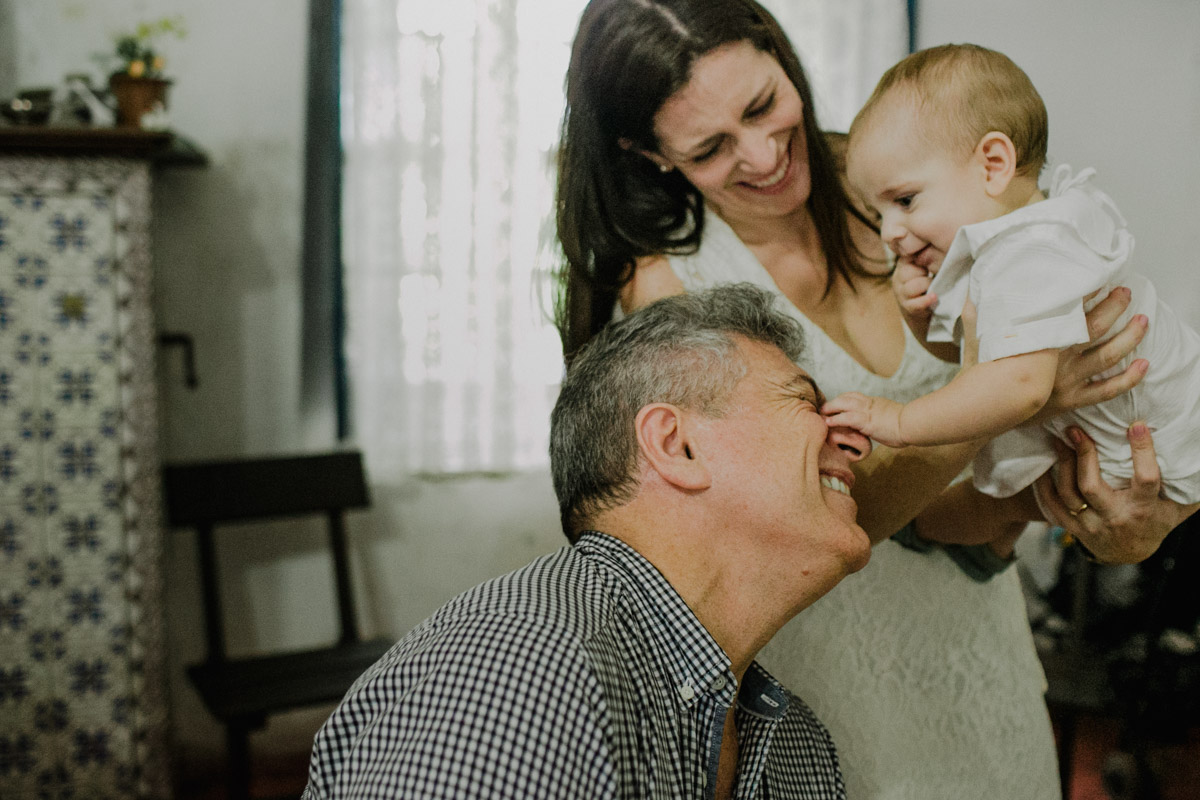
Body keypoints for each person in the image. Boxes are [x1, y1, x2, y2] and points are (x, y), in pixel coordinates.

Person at [554, 1, 1196, 796]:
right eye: (712, 147)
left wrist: (1118, 520)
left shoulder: (899, 179)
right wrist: (1009, 398)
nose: (763, 155)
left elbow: (1009, 470)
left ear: (783, 58)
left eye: (763, 105)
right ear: (647, 152)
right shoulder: (670, 296)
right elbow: (792, 523)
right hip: (843, 682)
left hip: (982, 649)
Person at [301, 285, 873, 799]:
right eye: (805, 401)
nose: (854, 440)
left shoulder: (796, 749)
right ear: (675, 445)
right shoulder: (522, 672)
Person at [824, 45, 1200, 556]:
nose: (890, 232)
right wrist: (922, 319)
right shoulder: (1015, 240)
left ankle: (939, 544)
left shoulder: (1030, 252)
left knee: (983, 506)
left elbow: (1017, 385)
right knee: (991, 502)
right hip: (1146, 437)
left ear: (994, 165)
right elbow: (977, 359)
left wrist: (899, 421)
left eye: (905, 200)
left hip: (1153, 450)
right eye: (879, 213)